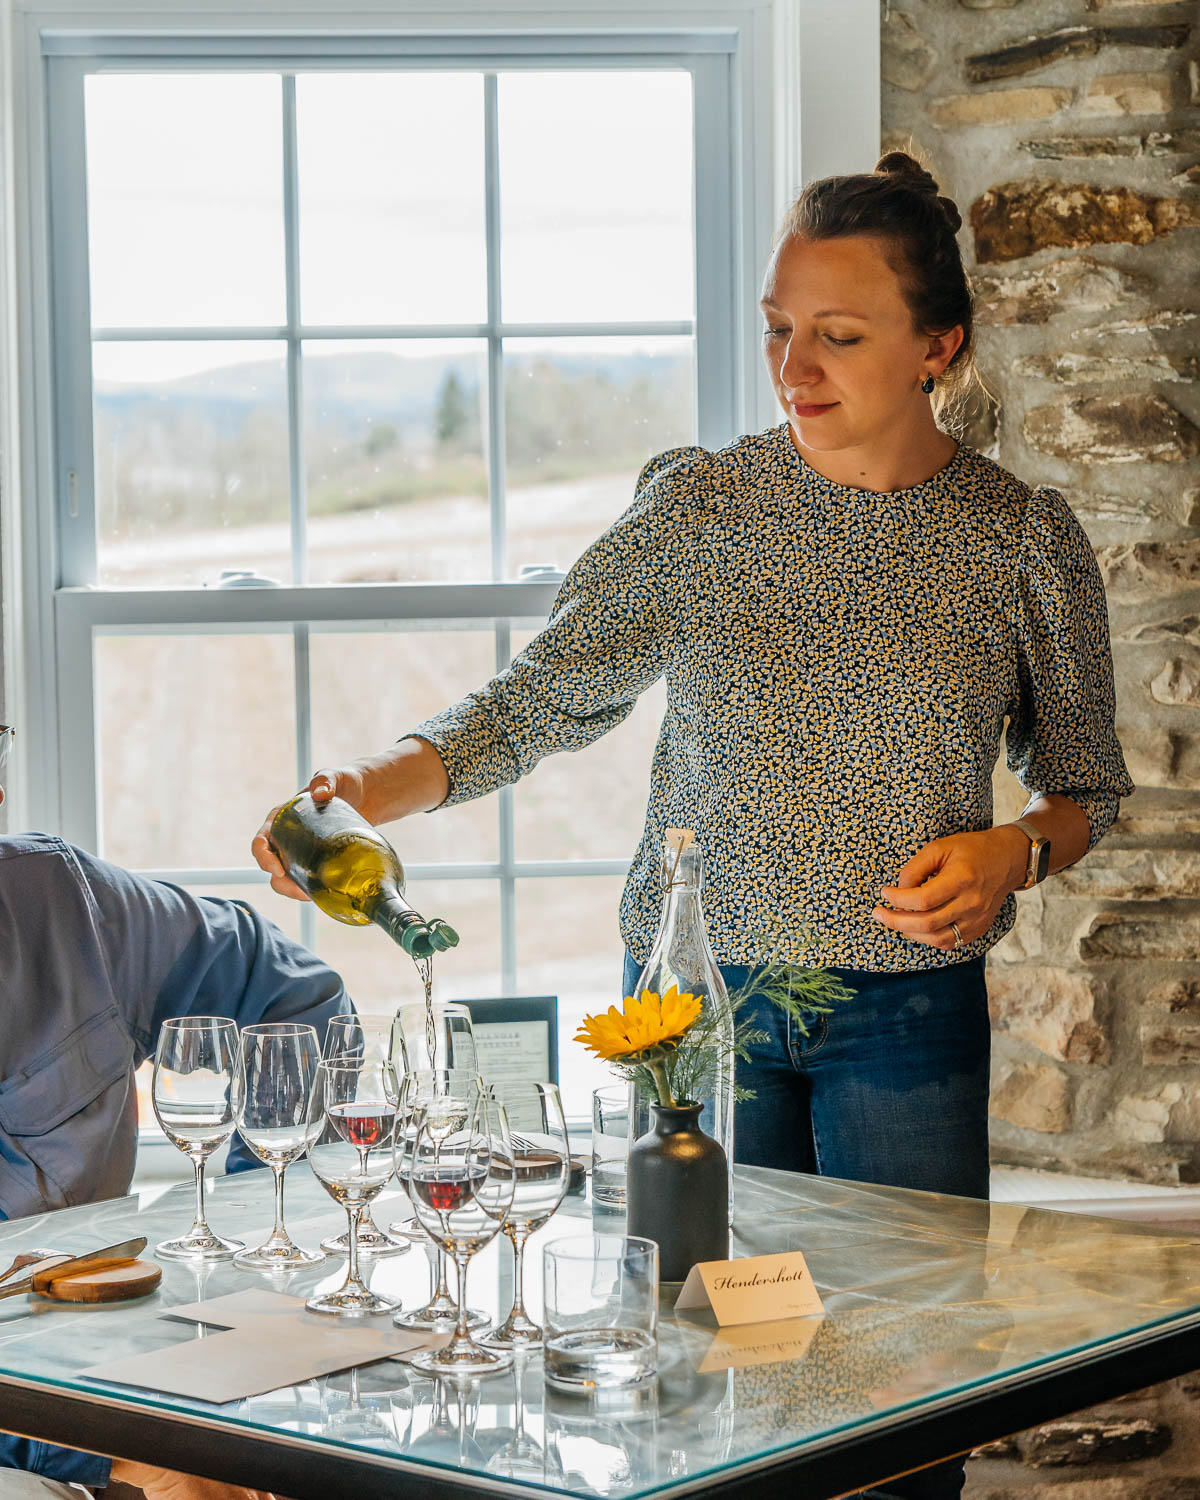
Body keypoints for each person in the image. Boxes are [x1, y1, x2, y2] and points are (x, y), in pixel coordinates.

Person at [252, 153, 1132, 1498]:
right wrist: (365, 789)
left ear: (938, 346)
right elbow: (541, 699)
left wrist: (1022, 848)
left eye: (839, 335)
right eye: (779, 329)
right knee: (716, 1384)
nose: (796, 363)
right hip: (695, 1010)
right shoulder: (705, 511)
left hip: (909, 1019)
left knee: (905, 1403)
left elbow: (1088, 785)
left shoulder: (1018, 538)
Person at [0, 724, 349, 1499]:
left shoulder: (53, 898)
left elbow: (294, 998)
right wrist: (125, 1453)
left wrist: (259, 1231)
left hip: (106, 1361)